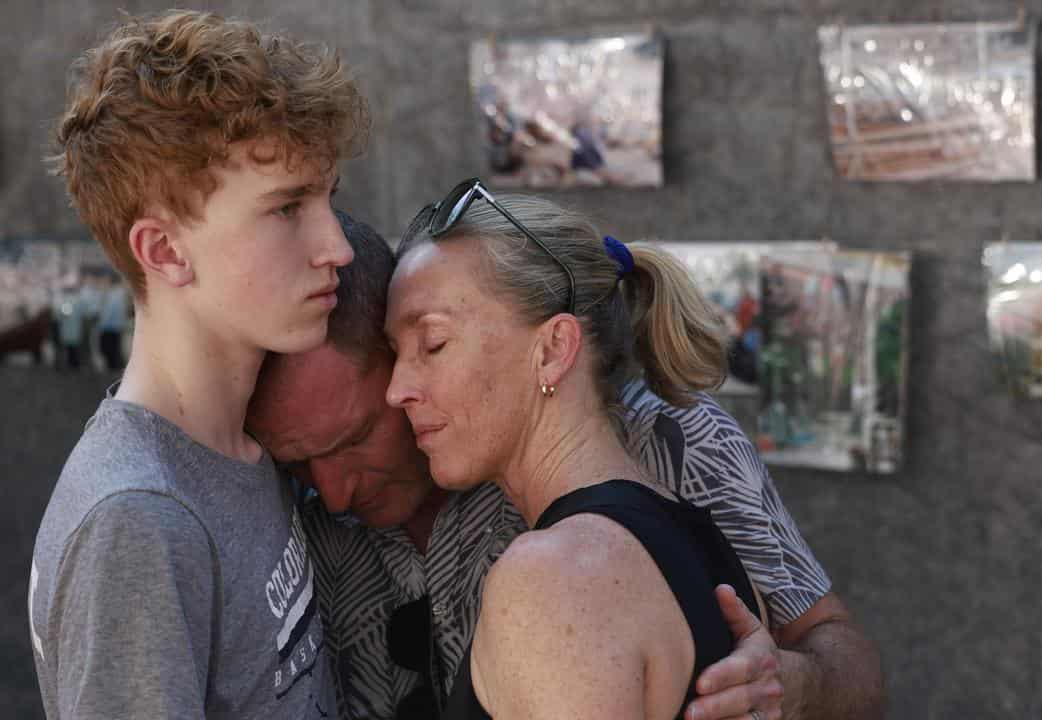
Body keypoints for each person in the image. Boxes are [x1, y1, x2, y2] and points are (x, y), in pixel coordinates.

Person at [247, 209, 884, 720]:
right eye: (297, 466)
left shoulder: (662, 445)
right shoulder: (297, 523)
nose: (329, 494)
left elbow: (840, 654)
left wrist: (793, 683)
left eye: (432, 345)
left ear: (553, 349)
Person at [28, 10, 368, 719]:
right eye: (286, 209)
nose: (337, 245)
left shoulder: (245, 450)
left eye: (328, 199)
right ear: (164, 252)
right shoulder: (138, 523)